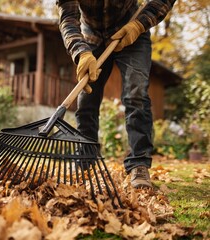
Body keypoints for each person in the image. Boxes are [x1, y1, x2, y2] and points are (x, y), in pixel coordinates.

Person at [56, 0, 176, 188]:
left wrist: (140, 24)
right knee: (86, 99)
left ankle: (139, 164)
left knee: (136, 93)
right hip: (91, 38)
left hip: (131, 30)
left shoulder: (136, 27)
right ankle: (85, 162)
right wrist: (80, 52)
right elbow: (68, 17)